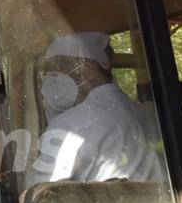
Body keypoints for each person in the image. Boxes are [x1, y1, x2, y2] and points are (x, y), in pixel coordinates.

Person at [25, 32, 163, 187]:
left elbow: (43, 198)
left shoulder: (68, 125)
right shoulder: (145, 114)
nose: (49, 80)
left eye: (55, 70)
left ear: (87, 70)